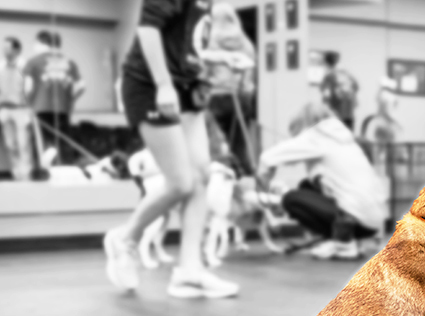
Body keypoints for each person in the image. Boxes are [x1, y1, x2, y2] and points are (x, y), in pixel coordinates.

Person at [104, 0, 239, 299]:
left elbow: (184, 40)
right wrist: (163, 84)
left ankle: (189, 272)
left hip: (187, 88)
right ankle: (125, 240)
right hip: (150, 86)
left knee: (202, 175)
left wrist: (214, 60)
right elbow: (148, 28)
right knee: (181, 182)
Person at [258, 102, 386, 260]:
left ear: (303, 124)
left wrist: (263, 182)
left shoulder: (318, 135)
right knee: (307, 186)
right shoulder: (342, 138)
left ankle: (343, 243)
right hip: (374, 224)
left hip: (354, 219)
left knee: (290, 199)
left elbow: (268, 157)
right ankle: (344, 239)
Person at [203, 2, 257, 176]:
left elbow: (204, 73)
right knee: (240, 144)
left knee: (214, 143)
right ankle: (245, 178)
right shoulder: (246, 44)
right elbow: (250, 77)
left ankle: (219, 177)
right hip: (241, 99)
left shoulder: (210, 42)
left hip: (216, 97)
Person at [23, 30, 85, 166]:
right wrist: (71, 100)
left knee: (43, 142)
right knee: (63, 141)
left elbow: (28, 88)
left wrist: (29, 106)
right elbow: (81, 86)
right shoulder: (69, 62)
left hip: (40, 108)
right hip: (63, 108)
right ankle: (66, 169)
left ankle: (46, 172)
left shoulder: (33, 62)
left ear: (41, 43)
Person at [0, 36, 33, 180]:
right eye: (3, 47)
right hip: (5, 109)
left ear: (17, 49)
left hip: (21, 109)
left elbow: (31, 88)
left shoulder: (25, 66)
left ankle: (26, 174)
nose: (4, 50)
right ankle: (16, 173)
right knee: (9, 144)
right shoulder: (1, 66)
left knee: (23, 143)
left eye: (8, 47)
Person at [319, 52, 358, 131]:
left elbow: (325, 96)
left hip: (335, 116)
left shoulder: (329, 76)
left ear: (326, 63)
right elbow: (356, 87)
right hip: (349, 114)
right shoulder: (347, 73)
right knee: (348, 139)